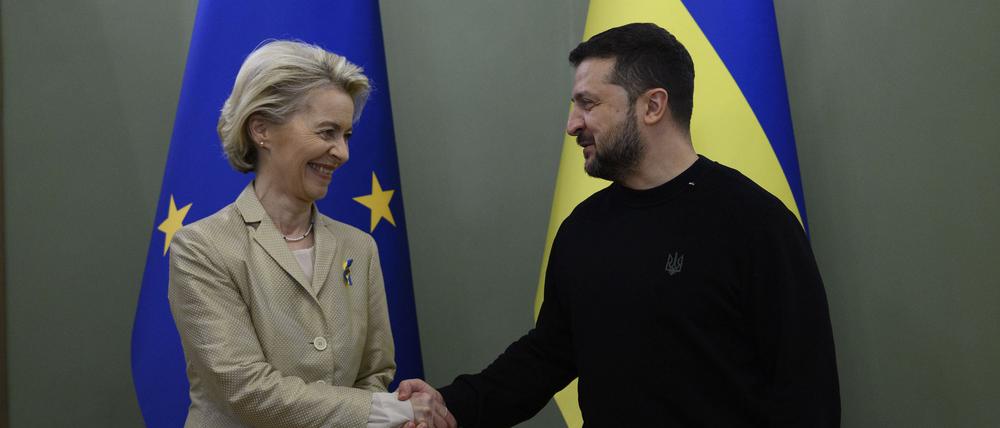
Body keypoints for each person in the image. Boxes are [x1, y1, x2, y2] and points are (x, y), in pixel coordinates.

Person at [398, 23, 840, 427]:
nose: (573, 124)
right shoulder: (583, 229)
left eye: (588, 104)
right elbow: (547, 355)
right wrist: (450, 405)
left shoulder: (755, 223)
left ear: (652, 106)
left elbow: (807, 395)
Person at [168, 40, 454, 428]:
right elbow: (247, 391)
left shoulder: (359, 247)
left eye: (347, 135)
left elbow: (375, 372)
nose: (342, 152)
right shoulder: (202, 248)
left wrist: (387, 409)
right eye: (327, 132)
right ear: (262, 130)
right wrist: (392, 410)